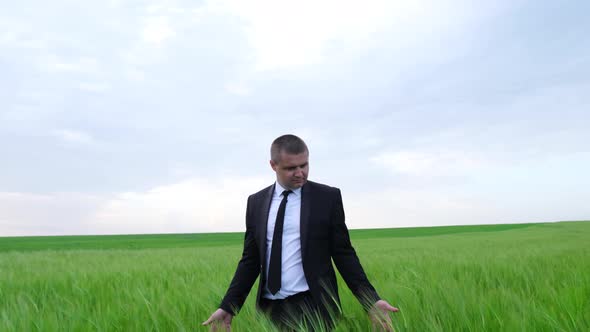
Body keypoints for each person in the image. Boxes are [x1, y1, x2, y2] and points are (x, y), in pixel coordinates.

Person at [203, 134, 398, 331]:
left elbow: (343, 253)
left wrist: (371, 301)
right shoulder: (256, 202)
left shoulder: (327, 198)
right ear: (273, 165)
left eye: (304, 165)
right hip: (271, 310)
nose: (300, 173)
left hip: (314, 306)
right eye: (291, 168)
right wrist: (228, 305)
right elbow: (250, 259)